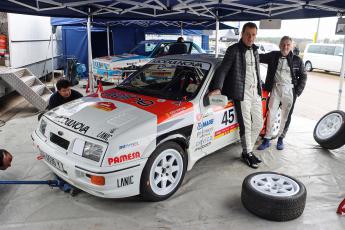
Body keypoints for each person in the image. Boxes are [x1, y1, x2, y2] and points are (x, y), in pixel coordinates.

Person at [209, 22, 263, 169]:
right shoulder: (233, 50)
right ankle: (248, 152)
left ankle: (248, 151)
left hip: (255, 93)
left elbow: (256, 72)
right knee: (246, 125)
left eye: (253, 35)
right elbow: (223, 70)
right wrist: (218, 88)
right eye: (248, 34)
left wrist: (260, 88)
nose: (250, 38)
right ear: (242, 34)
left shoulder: (256, 50)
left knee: (259, 123)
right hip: (241, 93)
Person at [257, 36, 307, 151]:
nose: (285, 47)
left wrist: (297, 92)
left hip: (290, 90)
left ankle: (280, 138)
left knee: (286, 115)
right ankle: (267, 139)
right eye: (283, 44)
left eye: (288, 45)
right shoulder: (273, 55)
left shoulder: (297, 60)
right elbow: (259, 57)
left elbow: (304, 76)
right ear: (280, 45)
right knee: (271, 114)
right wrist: (252, 49)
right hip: (275, 88)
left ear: (291, 46)